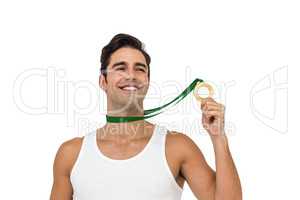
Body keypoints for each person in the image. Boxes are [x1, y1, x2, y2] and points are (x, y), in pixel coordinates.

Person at [50, 33, 242, 200]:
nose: (131, 75)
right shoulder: (71, 153)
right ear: (103, 81)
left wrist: (219, 137)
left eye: (140, 69)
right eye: (121, 68)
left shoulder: (177, 147)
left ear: (147, 81)